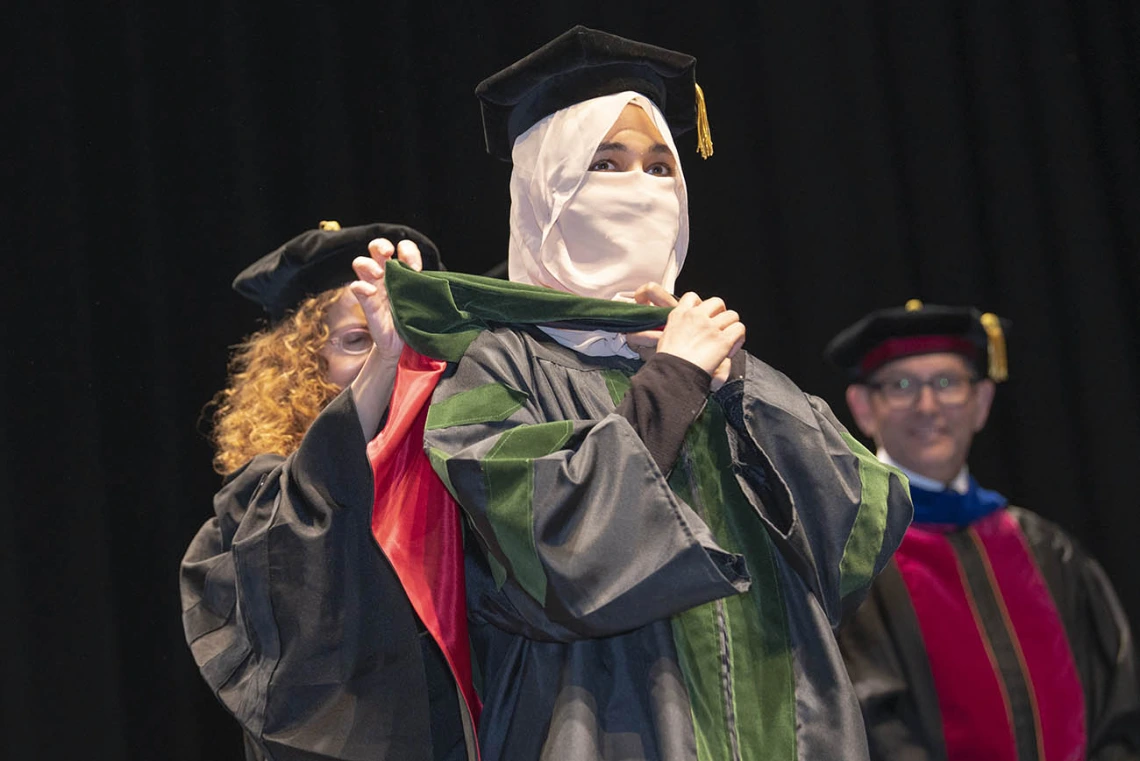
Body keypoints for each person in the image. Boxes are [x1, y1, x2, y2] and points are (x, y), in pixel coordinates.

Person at [377, 26, 913, 760]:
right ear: (546, 190)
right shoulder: (498, 366)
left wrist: (738, 388)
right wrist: (671, 387)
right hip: (603, 727)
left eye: (661, 167)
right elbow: (557, 561)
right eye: (606, 162)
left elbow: (859, 535)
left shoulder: (712, 358)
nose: (640, 188)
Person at [179, 220, 479, 761]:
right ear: (299, 370)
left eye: (406, 338)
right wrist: (384, 364)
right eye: (356, 340)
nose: (387, 351)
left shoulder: (462, 470)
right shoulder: (263, 501)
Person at [824, 300, 1140, 760]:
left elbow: (1117, 707)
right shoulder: (851, 555)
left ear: (982, 402)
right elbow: (864, 722)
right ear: (863, 408)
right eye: (902, 385)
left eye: (948, 383)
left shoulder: (1046, 549)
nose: (928, 405)